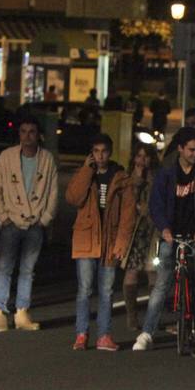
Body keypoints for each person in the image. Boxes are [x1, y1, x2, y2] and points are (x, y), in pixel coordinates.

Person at [133, 127, 195, 351]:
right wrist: (164, 229)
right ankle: (147, 333)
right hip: (172, 234)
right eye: (191, 149)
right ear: (180, 149)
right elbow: (156, 204)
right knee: (161, 284)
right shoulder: (167, 171)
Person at [0, 114, 59, 331]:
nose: (27, 136)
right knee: (4, 267)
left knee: (27, 269)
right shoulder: (7, 157)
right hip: (11, 221)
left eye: (32, 132)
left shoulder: (47, 159)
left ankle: (22, 311)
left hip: (35, 223)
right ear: (18, 134)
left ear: (39, 135)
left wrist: (45, 219)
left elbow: (53, 192)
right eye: (23, 132)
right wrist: (2, 216)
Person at [65, 134, 132, 351]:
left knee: (107, 290)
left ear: (110, 152)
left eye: (103, 151)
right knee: (84, 289)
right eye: (96, 151)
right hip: (86, 238)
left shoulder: (120, 176)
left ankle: (104, 335)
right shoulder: (87, 174)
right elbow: (73, 198)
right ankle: (81, 334)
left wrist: (122, 241)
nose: (100, 156)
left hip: (110, 240)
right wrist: (86, 170)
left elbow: (127, 213)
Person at [120, 142, 158, 331]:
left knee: (153, 271)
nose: (142, 160)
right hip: (134, 231)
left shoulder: (156, 178)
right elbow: (126, 201)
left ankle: (152, 317)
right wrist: (137, 179)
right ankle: (132, 316)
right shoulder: (128, 178)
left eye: (146, 156)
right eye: (139, 156)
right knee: (132, 271)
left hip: (152, 230)